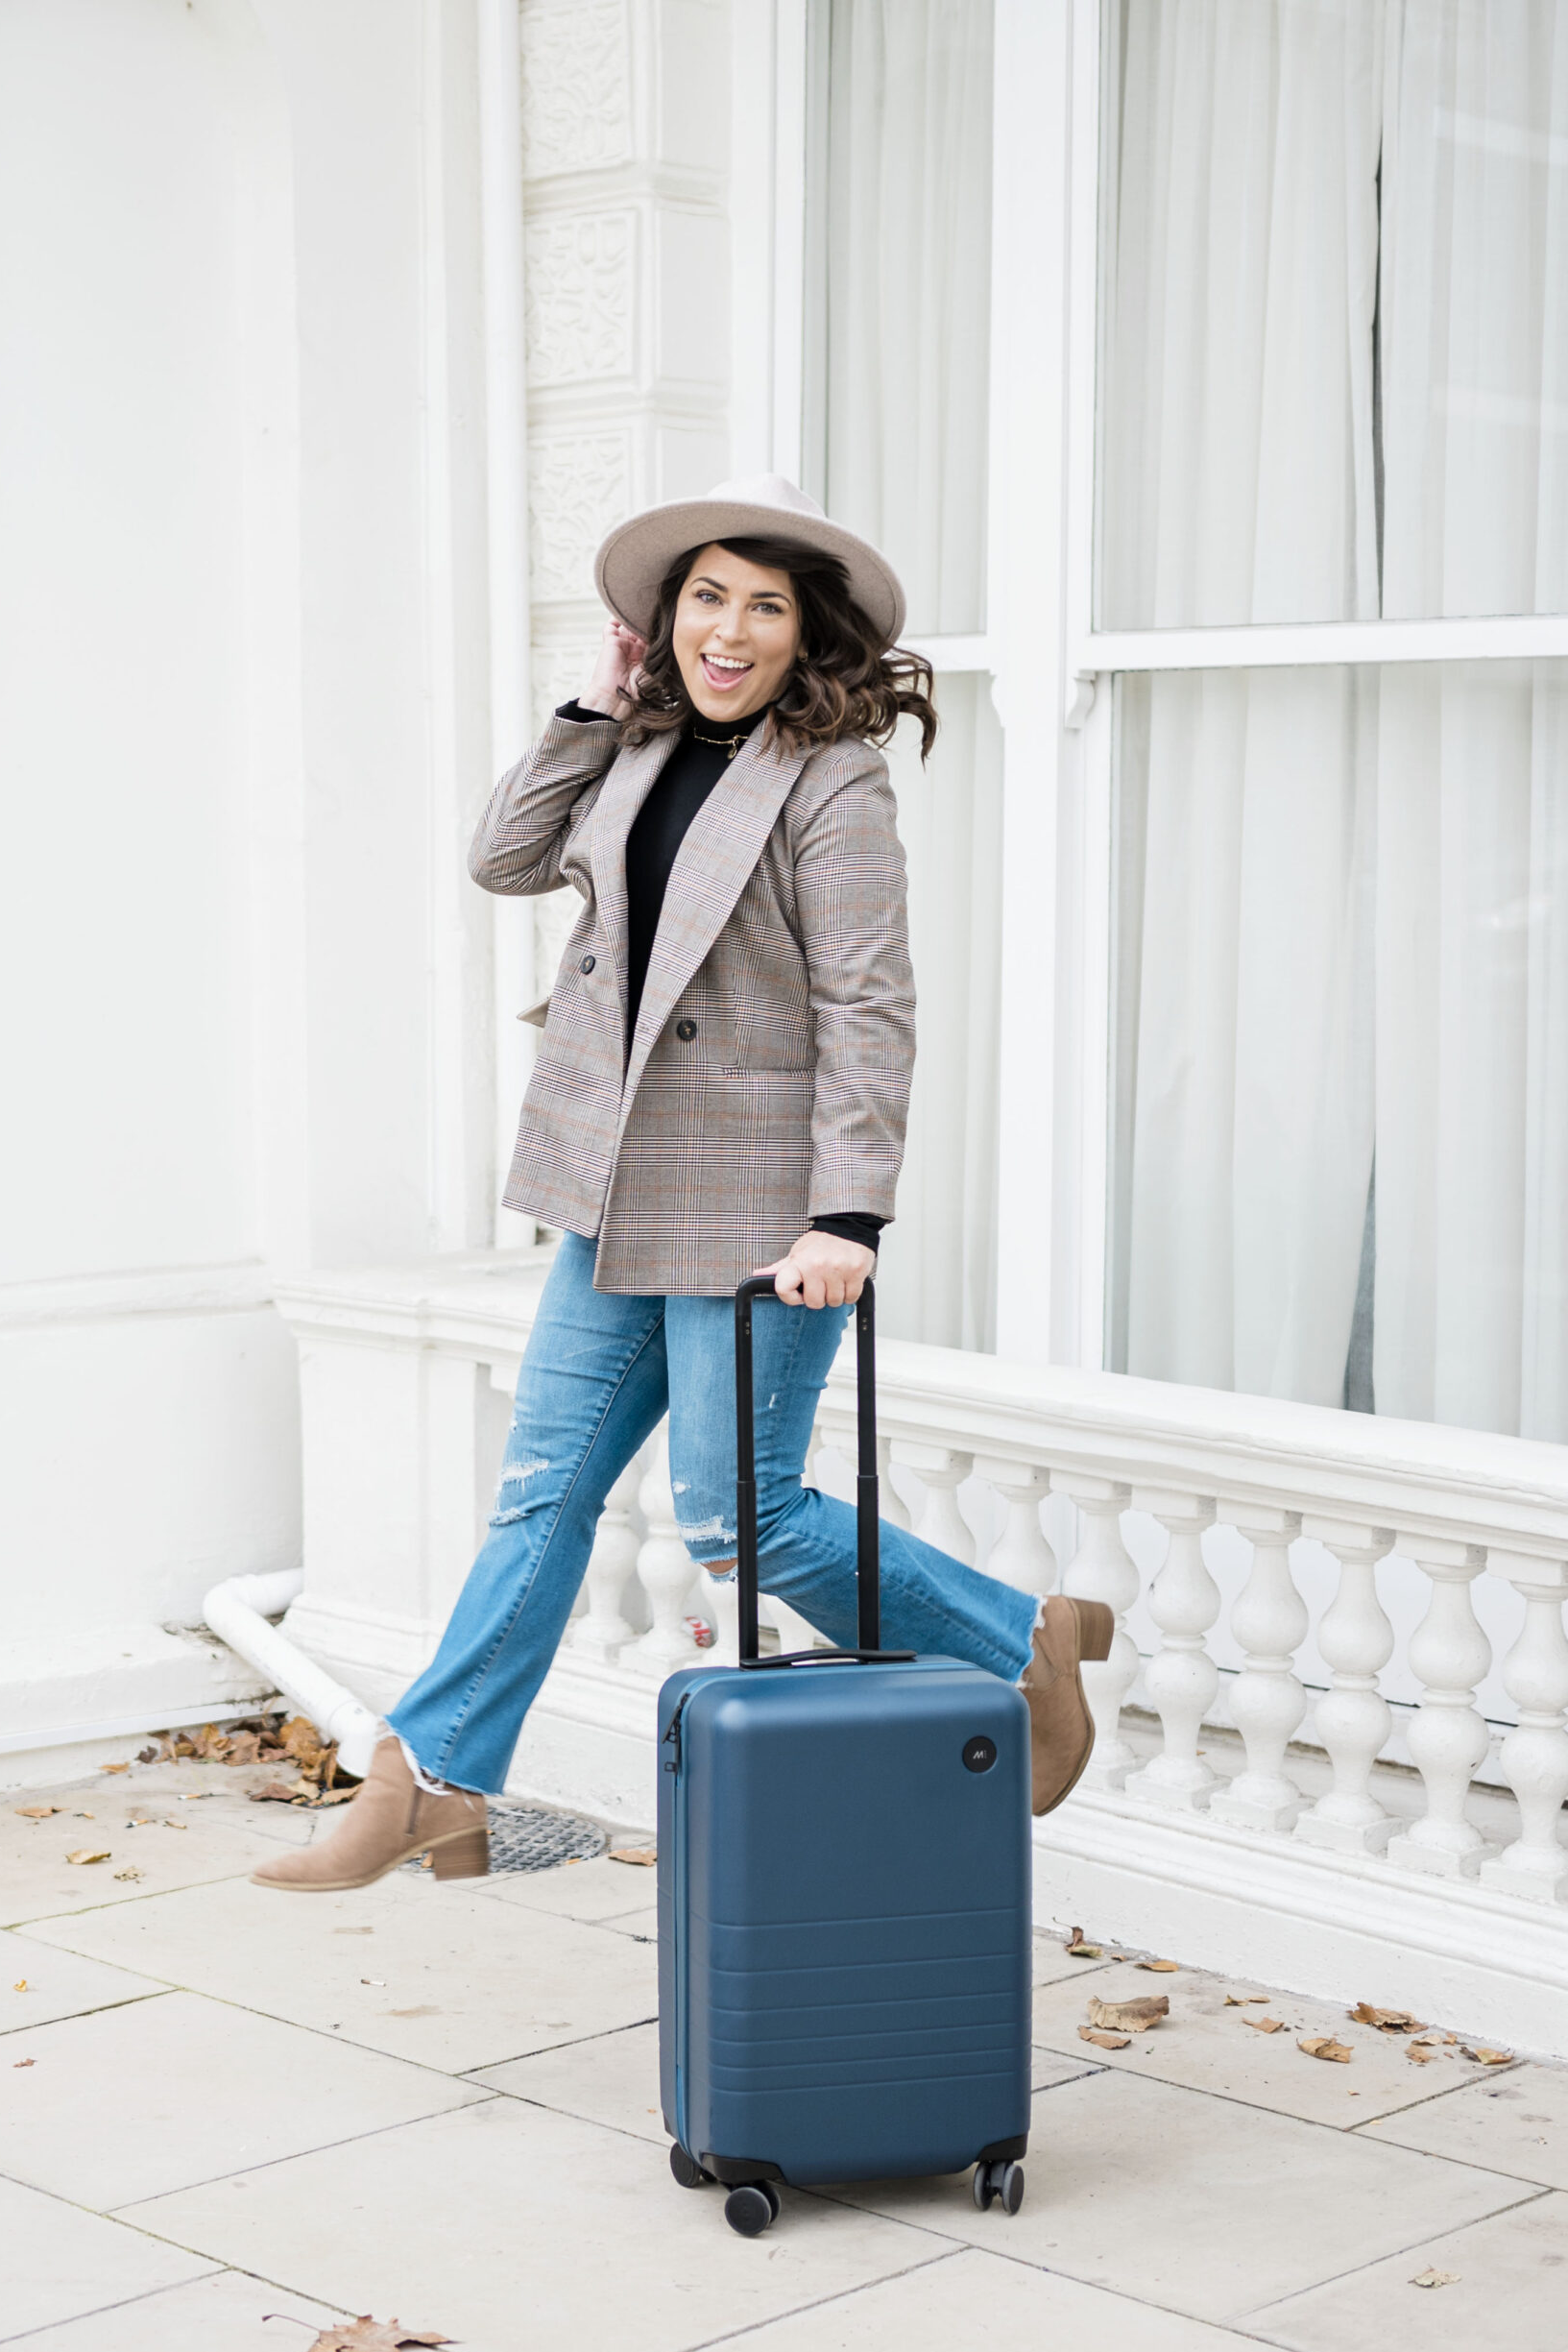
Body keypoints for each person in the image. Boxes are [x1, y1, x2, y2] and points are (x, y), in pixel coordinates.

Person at [252, 474, 1109, 1892]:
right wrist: (593, 711)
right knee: (542, 1495)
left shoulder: (831, 777)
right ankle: (435, 1780)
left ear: (801, 637)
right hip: (616, 1188)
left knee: (736, 1517)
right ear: (663, 619)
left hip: (764, 1210)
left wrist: (848, 1213)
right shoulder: (634, 746)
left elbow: (869, 1003)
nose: (730, 628)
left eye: (763, 607)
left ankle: (1026, 1637)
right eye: (706, 597)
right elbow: (502, 858)